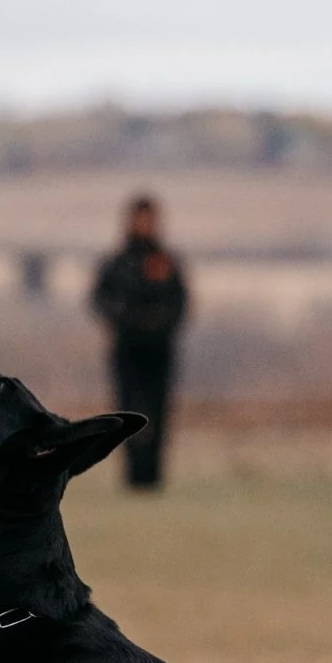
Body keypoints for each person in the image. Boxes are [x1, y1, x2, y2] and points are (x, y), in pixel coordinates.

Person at [91, 195, 189, 489]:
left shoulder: (166, 262)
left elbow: (180, 302)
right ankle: (133, 478)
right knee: (128, 414)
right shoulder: (118, 263)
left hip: (160, 349)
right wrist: (126, 321)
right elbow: (100, 300)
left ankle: (153, 478)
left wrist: (160, 324)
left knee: (159, 412)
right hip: (127, 348)